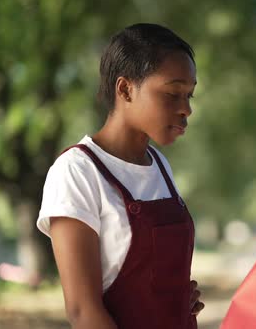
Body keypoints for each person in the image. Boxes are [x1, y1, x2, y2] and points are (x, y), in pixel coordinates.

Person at [37, 23, 203, 329]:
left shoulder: (160, 166)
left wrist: (176, 296)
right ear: (125, 89)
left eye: (189, 95)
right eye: (172, 93)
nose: (186, 109)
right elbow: (83, 311)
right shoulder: (77, 171)